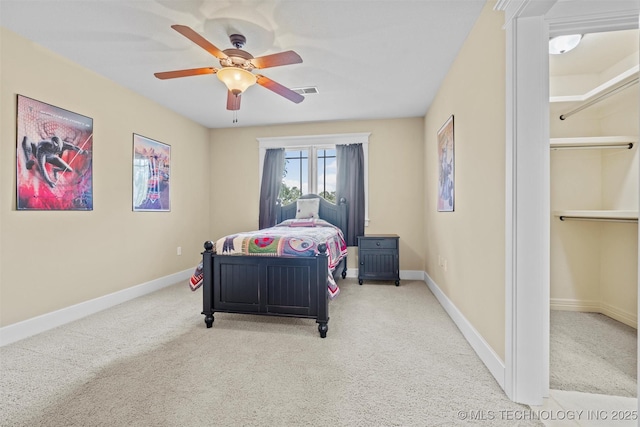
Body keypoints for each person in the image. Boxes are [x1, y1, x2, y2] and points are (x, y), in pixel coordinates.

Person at [21, 135, 88, 188]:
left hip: (52, 157)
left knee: (69, 169)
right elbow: (42, 168)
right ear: (52, 146)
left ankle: (55, 170)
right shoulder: (42, 148)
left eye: (58, 150)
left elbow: (74, 147)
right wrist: (49, 181)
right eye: (56, 149)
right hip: (42, 154)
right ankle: (28, 161)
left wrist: (81, 151)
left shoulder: (63, 144)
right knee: (26, 139)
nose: (57, 151)